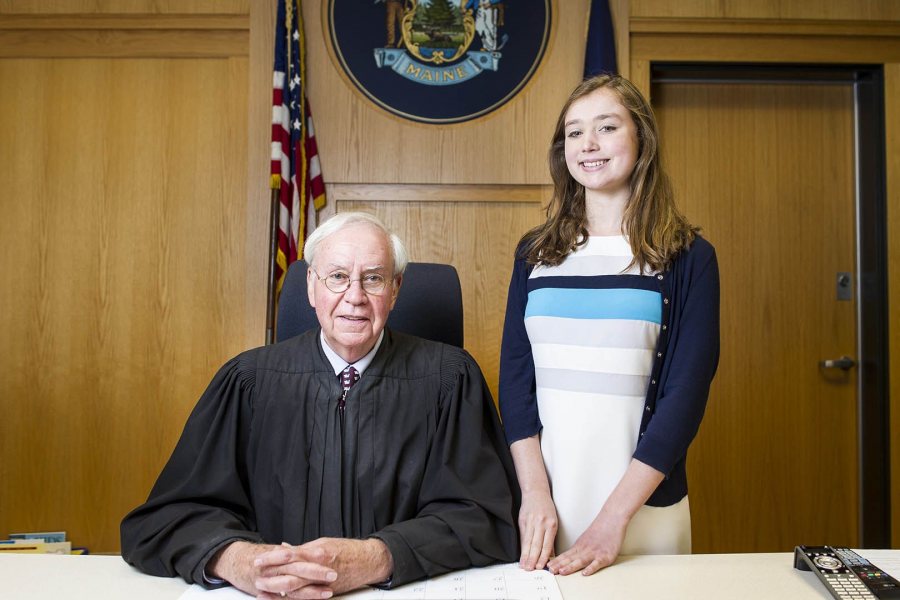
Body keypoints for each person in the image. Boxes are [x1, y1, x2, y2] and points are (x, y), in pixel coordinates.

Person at [121, 212, 519, 598]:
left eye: (374, 279)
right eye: (338, 277)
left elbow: (487, 520)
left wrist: (376, 557)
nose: (355, 297)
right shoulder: (248, 382)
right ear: (311, 286)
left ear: (395, 289)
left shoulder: (450, 381)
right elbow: (163, 521)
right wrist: (237, 560)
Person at [499, 74, 719, 577]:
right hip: (545, 512)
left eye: (606, 127)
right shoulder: (534, 254)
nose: (588, 145)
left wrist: (613, 519)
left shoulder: (688, 259)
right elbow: (515, 381)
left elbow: (684, 397)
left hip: (642, 512)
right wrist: (534, 495)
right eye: (574, 132)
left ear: (641, 139)